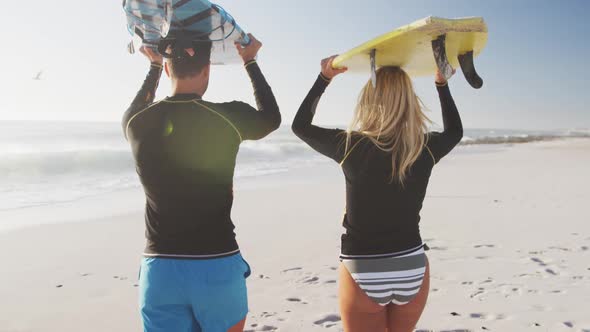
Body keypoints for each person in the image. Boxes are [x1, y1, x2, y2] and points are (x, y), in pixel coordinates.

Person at [292, 56, 463, 332]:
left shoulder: (350, 145)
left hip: (364, 267)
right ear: (409, 100)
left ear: (368, 99)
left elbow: (300, 126)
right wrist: (441, 84)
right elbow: (455, 132)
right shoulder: (424, 147)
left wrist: (324, 78)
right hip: (411, 266)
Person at [123, 34, 281, 332]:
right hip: (216, 264)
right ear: (207, 68)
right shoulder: (228, 117)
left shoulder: (136, 123)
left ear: (169, 70)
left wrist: (153, 66)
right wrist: (250, 61)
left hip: (161, 270)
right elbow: (271, 118)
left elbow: (138, 106)